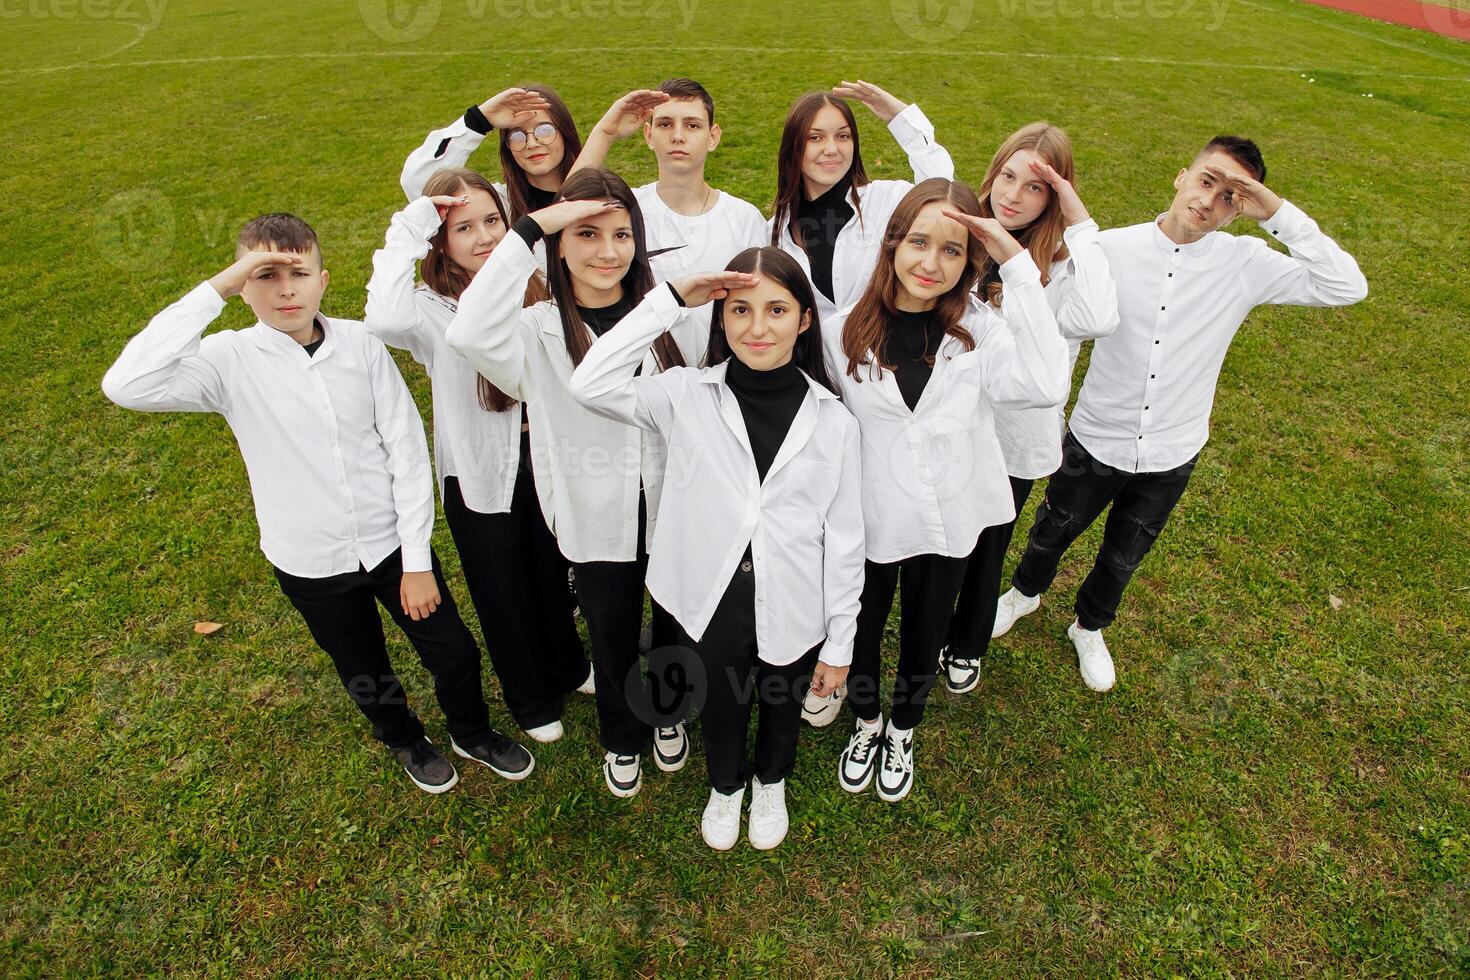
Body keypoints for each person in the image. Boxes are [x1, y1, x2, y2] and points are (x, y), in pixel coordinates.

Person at [102, 213, 534, 794]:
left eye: (297, 273)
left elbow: (405, 450)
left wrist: (415, 561)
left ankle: (471, 731)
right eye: (264, 275)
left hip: (389, 545)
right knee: (362, 668)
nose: (285, 289)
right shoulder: (227, 361)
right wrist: (216, 288)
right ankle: (404, 738)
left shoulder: (361, 344)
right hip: (309, 559)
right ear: (243, 287)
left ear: (323, 280)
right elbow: (126, 384)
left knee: (454, 652)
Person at [994, 136, 1368, 692]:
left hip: (1174, 448)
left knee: (1126, 551)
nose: (1210, 200)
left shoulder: (1246, 262)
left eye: (1230, 196)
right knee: (1054, 527)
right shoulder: (1110, 248)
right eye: (1206, 180)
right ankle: (1025, 593)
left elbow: (1347, 286)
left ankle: (1090, 627)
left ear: (1243, 208)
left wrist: (1278, 214)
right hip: (1097, 435)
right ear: (1180, 176)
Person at [569, 246, 863, 850]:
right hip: (708, 595)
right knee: (721, 702)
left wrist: (840, 638)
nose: (757, 328)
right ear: (719, 318)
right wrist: (670, 299)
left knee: (781, 698)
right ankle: (725, 786)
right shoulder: (683, 395)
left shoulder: (834, 421)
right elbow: (589, 381)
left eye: (777, 310)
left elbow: (847, 535)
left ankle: (771, 782)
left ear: (805, 320)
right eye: (740, 310)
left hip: (794, 597)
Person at [446, 168, 701, 798]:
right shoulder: (534, 333)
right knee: (611, 629)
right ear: (557, 245)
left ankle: (666, 714)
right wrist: (531, 225)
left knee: (673, 620)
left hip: (673, 505)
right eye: (585, 233)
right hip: (592, 517)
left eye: (621, 234)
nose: (608, 252)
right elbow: (468, 330)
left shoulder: (671, 314)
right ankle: (622, 735)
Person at [822, 179, 1069, 802]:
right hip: (873, 514)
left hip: (949, 515)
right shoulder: (839, 332)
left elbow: (1044, 382)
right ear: (892, 243)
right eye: (918, 242)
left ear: (970, 261)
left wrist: (1015, 264)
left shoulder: (983, 331)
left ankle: (903, 727)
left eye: (953, 251)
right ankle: (867, 719)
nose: (931, 264)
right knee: (865, 622)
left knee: (926, 627)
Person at [364, 168, 593, 746]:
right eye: (463, 227)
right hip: (480, 474)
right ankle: (530, 696)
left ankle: (567, 665)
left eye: (492, 220)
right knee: (502, 589)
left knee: (554, 570)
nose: (485, 236)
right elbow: (382, 316)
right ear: (440, 243)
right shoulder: (427, 308)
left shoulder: (533, 277)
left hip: (546, 457)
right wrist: (413, 224)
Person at [939, 122, 1119, 695]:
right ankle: (932, 624)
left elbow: (1098, 318)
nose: (1012, 196)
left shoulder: (1063, 267)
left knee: (990, 541)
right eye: (1007, 177)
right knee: (946, 538)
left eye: (1035, 187)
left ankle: (965, 643)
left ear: (1056, 197)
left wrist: (1079, 217)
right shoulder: (965, 237)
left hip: (1013, 439)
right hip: (953, 424)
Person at [768, 80, 955, 327]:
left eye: (843, 136)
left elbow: (941, 190)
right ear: (793, 147)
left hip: (885, 361)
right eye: (815, 137)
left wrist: (900, 119)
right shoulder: (773, 232)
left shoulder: (886, 199)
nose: (832, 149)